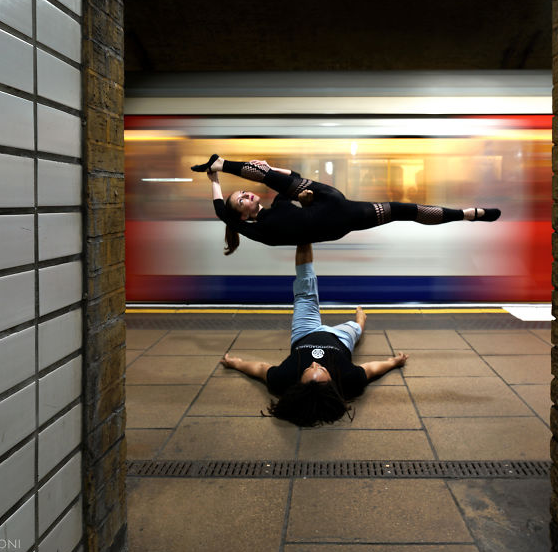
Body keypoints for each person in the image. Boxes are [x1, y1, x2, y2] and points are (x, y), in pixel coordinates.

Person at [219, 243, 408, 426]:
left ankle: (304, 232)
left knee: (304, 290)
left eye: (309, 369)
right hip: (341, 338)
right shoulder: (349, 381)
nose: (315, 363)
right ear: (332, 384)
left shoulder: (284, 379)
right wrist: (394, 362)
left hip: (304, 333)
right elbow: (371, 369)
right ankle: (360, 318)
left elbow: (260, 368)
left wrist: (235, 363)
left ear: (299, 384)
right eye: (322, 369)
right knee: (357, 328)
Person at [192, 154, 501, 255]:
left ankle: (468, 214)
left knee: (405, 210)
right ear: (241, 214)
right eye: (241, 200)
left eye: (244, 192)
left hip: (334, 205)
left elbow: (295, 177)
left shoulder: (278, 203)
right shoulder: (258, 230)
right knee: (272, 178)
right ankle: (220, 166)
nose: (246, 196)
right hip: (339, 221)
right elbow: (221, 212)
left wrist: (271, 167)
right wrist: (214, 183)